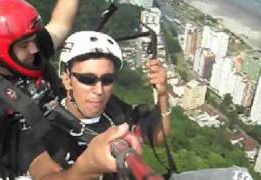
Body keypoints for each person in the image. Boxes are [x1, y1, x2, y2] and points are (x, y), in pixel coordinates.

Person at [0, 0, 80, 178]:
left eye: (34, 40)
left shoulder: (31, 52)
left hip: (67, 146)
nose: (35, 49)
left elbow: (61, 22)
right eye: (24, 45)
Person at [29, 31, 171, 179]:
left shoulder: (115, 110)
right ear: (67, 80)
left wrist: (163, 96)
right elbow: (44, 176)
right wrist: (87, 168)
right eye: (87, 79)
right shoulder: (45, 126)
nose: (99, 90)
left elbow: (157, 137)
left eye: (108, 79)